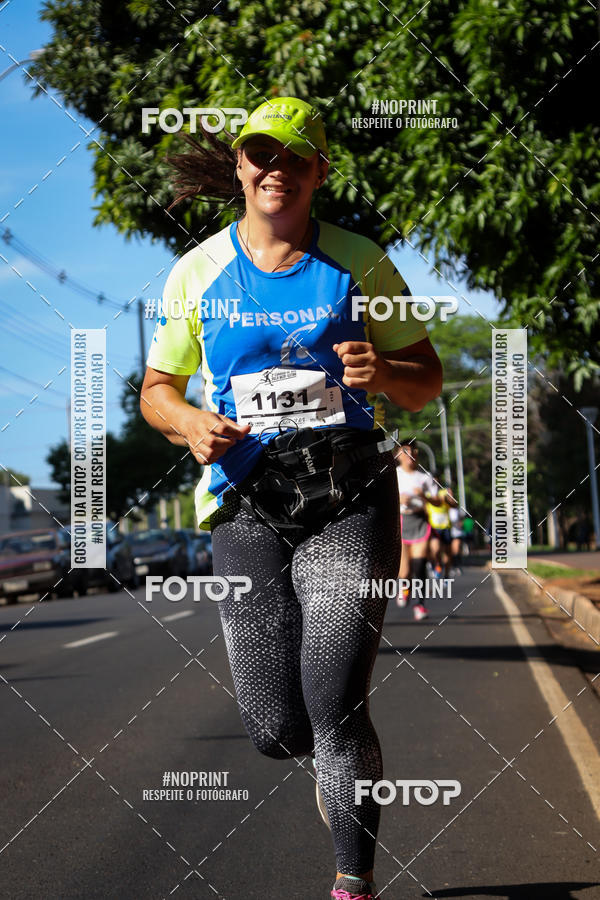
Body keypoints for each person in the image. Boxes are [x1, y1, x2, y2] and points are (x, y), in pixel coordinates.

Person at [140, 96, 442, 900]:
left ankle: (353, 878)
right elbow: (157, 389)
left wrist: (384, 374)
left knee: (335, 702)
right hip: (247, 503)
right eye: (260, 154)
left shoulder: (360, 262)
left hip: (348, 493)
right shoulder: (197, 271)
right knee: (276, 728)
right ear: (241, 166)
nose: (276, 168)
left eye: (293, 157)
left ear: (319, 170)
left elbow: (427, 378)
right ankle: (330, 763)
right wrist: (187, 424)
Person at [395, 441, 438, 619]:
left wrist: (423, 496)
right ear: (398, 455)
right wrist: (399, 499)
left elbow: (438, 501)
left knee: (419, 565)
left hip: (420, 521)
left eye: (412, 452)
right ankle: (404, 589)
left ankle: (420, 605)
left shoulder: (424, 477)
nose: (409, 456)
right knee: (404, 571)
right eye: (405, 452)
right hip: (401, 522)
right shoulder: (393, 475)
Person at [426, 485, 458, 578]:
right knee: (435, 550)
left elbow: (454, 504)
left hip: (446, 528)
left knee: (448, 554)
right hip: (434, 528)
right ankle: (438, 564)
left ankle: (447, 575)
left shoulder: (445, 492)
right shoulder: (427, 493)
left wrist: (449, 497)